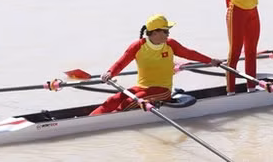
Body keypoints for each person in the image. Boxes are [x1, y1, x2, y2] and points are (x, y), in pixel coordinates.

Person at [89, 14, 221, 115]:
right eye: (166, 30)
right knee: (113, 99)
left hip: (163, 91)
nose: (168, 33)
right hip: (141, 87)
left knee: (130, 101)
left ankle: (110, 120)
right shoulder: (138, 46)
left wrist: (210, 61)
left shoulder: (170, 44)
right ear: (155, 32)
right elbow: (121, 62)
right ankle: (91, 120)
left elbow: (190, 54)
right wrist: (110, 73)